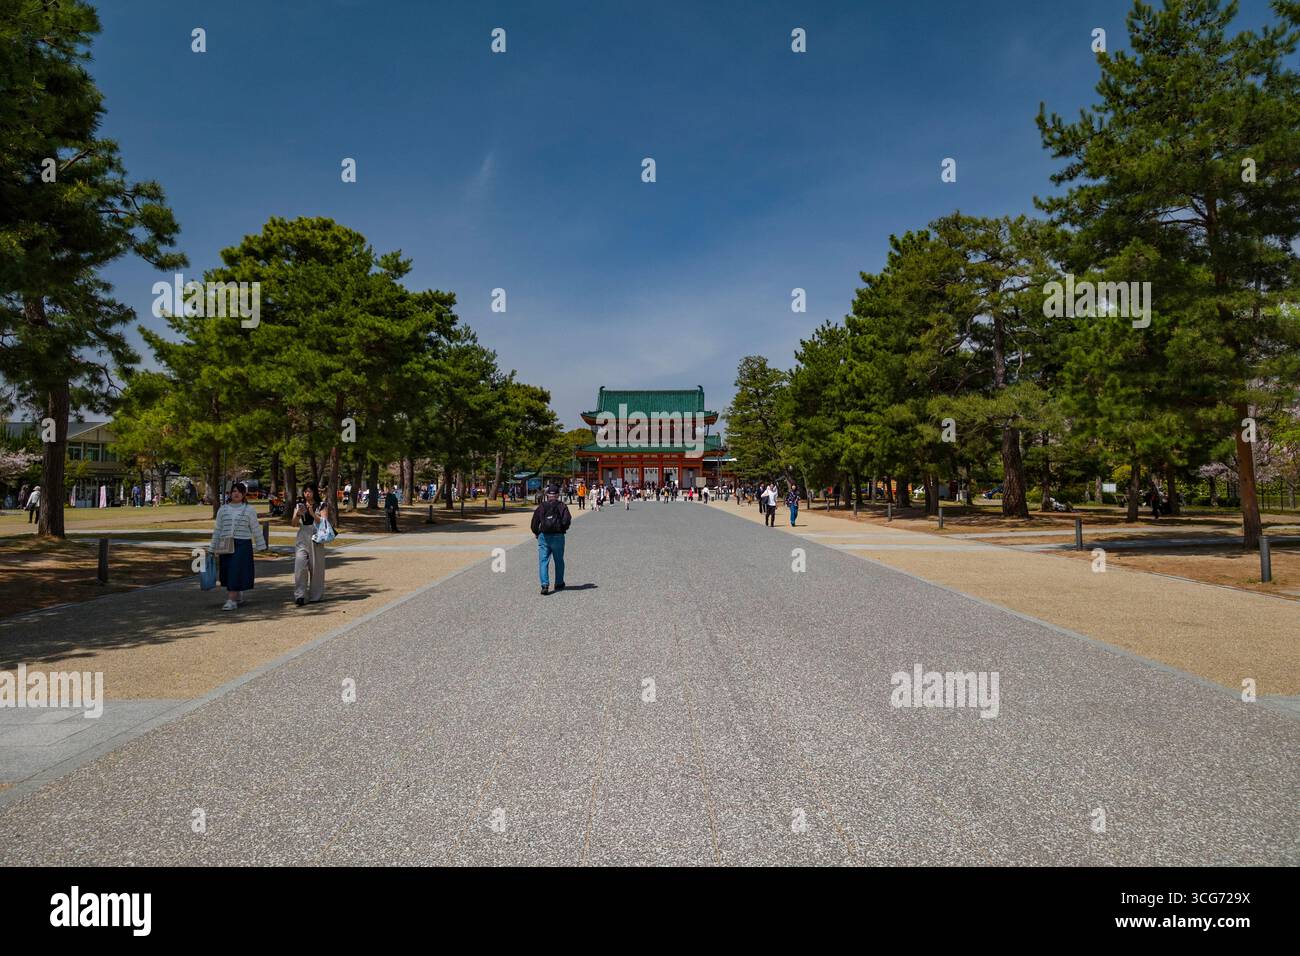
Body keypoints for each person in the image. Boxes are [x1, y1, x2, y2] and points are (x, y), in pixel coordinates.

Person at [210, 481, 266, 611]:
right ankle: (237, 593)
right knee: (228, 571)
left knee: (236, 570)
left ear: (244, 494)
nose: (236, 494)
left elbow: (255, 528)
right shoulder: (223, 509)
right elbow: (217, 529)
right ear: (230, 493)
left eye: (239, 492)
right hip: (225, 543)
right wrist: (212, 548)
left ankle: (231, 600)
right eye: (234, 491)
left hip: (242, 544)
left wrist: (261, 544)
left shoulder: (249, 510)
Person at [531, 484, 572, 595]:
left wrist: (537, 532)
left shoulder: (542, 506)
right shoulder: (562, 506)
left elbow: (534, 522)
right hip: (558, 536)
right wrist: (562, 529)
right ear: (558, 495)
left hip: (544, 536)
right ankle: (559, 583)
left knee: (543, 561)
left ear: (548, 494)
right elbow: (567, 521)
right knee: (559, 560)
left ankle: (544, 585)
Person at [293, 482, 327, 606]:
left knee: (316, 568)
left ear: (314, 493)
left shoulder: (321, 505)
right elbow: (293, 524)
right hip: (302, 537)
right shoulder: (299, 505)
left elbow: (324, 521)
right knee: (300, 566)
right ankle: (300, 595)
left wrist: (313, 514)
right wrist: (298, 514)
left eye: (310, 491)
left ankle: (315, 595)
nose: (307, 494)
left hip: (316, 536)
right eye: (305, 491)